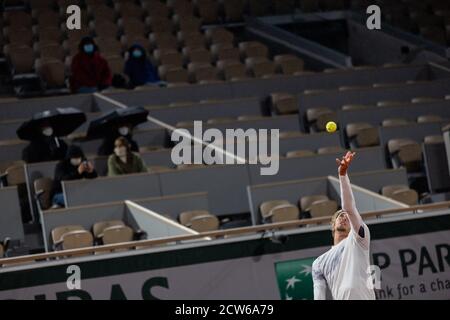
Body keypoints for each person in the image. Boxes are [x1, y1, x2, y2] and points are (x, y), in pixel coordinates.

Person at [312, 151, 375, 300]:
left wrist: (342, 175)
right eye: (340, 215)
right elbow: (319, 296)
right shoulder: (319, 263)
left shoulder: (360, 239)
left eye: (346, 216)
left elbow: (349, 207)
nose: (344, 217)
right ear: (332, 225)